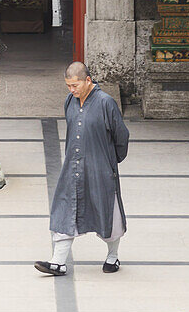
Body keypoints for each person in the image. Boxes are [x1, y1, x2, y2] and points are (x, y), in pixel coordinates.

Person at [35, 61, 129, 277]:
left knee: (107, 212)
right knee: (65, 209)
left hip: (100, 169)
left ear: (88, 80)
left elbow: (121, 136)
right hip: (73, 167)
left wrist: (110, 161)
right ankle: (58, 262)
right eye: (68, 86)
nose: (71, 90)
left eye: (75, 85)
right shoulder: (70, 100)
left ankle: (112, 256)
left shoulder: (106, 103)